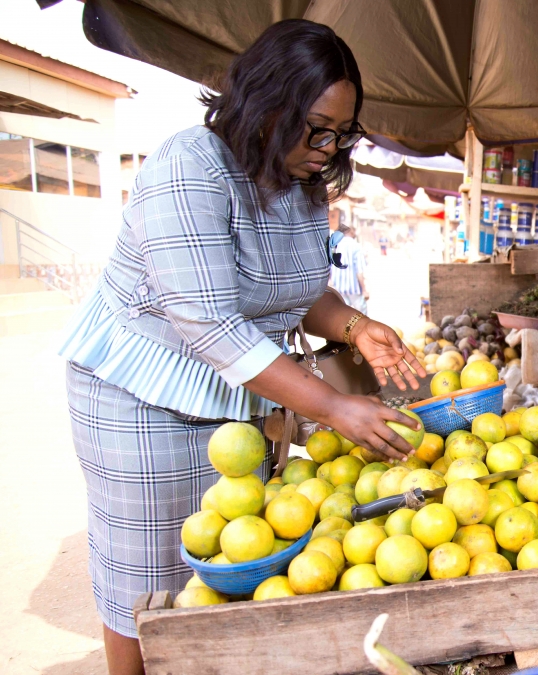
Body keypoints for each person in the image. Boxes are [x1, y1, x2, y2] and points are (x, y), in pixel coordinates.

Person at [57, 20, 425, 675]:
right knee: (150, 576)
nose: (328, 146)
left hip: (240, 394)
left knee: (234, 558)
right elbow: (209, 322)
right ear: (267, 103)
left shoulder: (302, 183)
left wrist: (351, 325)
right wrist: (336, 407)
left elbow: (298, 290)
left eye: (342, 132)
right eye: (318, 127)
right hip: (142, 395)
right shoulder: (189, 166)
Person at [329, 223, 369, 312]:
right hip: (353, 288)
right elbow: (359, 271)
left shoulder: (334, 245)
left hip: (338, 288)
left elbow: (329, 267)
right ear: (351, 231)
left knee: (343, 316)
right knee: (361, 317)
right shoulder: (355, 246)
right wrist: (364, 289)